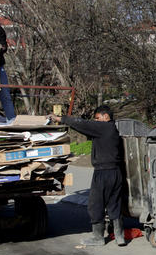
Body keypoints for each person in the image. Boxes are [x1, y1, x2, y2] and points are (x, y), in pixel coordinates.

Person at [48, 105, 126, 247]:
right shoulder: (113, 130)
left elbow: (82, 124)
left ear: (105, 117)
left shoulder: (103, 127)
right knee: (114, 204)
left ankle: (98, 237)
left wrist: (61, 119)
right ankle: (120, 236)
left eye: (97, 118)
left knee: (95, 204)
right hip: (116, 172)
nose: (95, 121)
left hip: (103, 172)